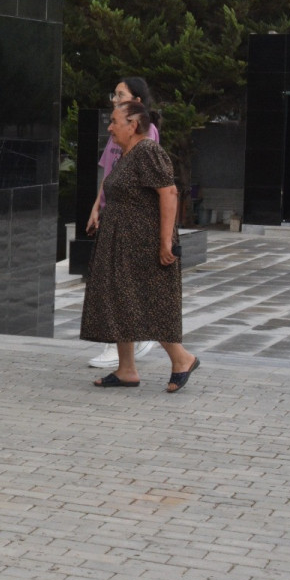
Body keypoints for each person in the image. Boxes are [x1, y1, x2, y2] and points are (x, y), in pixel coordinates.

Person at [80, 101, 199, 393]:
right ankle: (126, 370)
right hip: (122, 243)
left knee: (148, 301)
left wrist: (165, 241)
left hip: (144, 243)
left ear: (133, 125)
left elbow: (169, 193)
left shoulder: (148, 151)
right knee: (121, 301)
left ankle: (182, 358)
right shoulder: (127, 154)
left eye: (114, 121)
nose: (109, 127)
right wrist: (99, 213)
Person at [85, 78, 160, 369]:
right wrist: (95, 208)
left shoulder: (146, 133)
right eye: (114, 93)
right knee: (110, 284)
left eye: (121, 94)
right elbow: (108, 174)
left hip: (128, 218)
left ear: (137, 102)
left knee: (118, 285)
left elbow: (158, 185)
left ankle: (126, 344)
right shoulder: (116, 130)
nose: (114, 99)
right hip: (111, 213)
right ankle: (124, 348)